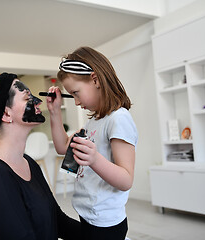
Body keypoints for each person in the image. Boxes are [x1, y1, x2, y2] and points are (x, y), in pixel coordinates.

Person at [0, 72, 80, 240]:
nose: (38, 101)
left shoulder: (29, 163)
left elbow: (59, 222)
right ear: (6, 114)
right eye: (28, 98)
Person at [47, 46, 138, 240]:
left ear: (95, 80)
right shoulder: (94, 121)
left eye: (76, 93)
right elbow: (63, 146)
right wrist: (54, 113)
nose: (77, 102)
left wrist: (94, 159)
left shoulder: (118, 119)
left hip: (106, 222)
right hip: (89, 214)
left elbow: (126, 179)